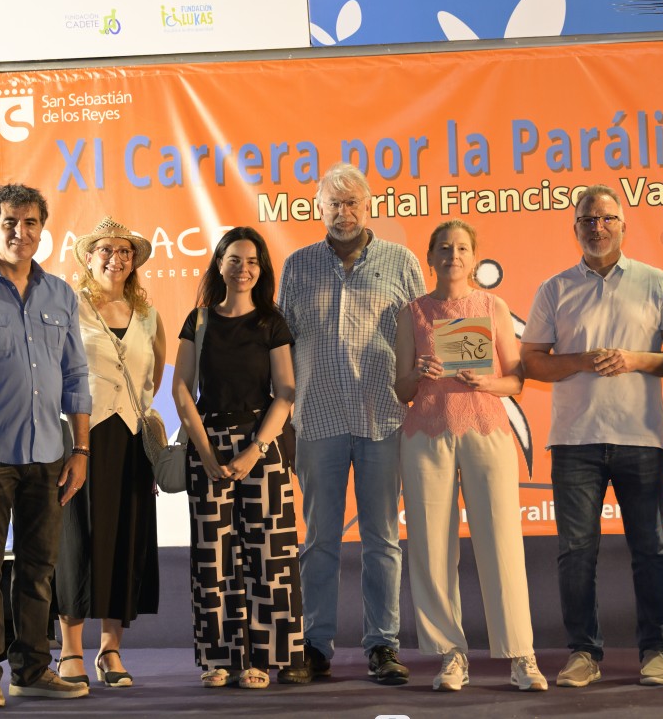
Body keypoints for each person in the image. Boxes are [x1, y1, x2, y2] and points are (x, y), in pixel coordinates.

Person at [521, 184, 663, 689]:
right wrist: (581, 359)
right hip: (574, 440)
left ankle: (655, 651)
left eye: (606, 218)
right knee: (576, 552)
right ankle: (583, 652)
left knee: (651, 550)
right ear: (574, 228)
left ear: (623, 225)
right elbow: (532, 362)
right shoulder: (554, 288)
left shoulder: (656, 281)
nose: (597, 227)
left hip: (642, 437)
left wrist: (638, 360)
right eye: (587, 220)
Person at [276, 164, 425, 685]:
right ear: (318, 209)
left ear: (369, 206)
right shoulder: (297, 266)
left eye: (352, 202)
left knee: (382, 538)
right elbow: (281, 348)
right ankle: (314, 645)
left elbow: (422, 339)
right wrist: (282, 420)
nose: (344, 213)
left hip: (384, 418)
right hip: (316, 420)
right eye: (334, 204)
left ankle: (383, 645)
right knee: (319, 539)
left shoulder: (402, 263)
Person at [393, 220, 547, 693]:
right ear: (430, 257)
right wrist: (418, 372)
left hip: (486, 429)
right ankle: (451, 654)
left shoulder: (492, 306)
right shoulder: (411, 313)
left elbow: (516, 380)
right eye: (444, 248)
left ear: (474, 258)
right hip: (426, 435)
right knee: (430, 547)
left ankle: (521, 654)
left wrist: (488, 382)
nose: (453, 256)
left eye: (462, 248)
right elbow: (401, 390)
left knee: (502, 541)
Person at [0, 183, 93, 706]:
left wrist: (80, 451)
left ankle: (33, 669)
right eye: (10, 222)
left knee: (39, 569)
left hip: (49, 454)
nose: (21, 231)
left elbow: (76, 376)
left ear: (42, 229)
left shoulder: (60, 293)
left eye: (31, 222)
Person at [173, 226, 303, 690]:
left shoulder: (272, 322)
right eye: (234, 259)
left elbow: (285, 392)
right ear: (219, 264)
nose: (243, 269)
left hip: (262, 445)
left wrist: (255, 449)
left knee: (270, 555)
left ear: (261, 268)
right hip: (207, 445)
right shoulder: (199, 320)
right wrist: (206, 452)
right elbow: (181, 389)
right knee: (213, 558)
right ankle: (218, 659)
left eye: (252, 261)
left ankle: (263, 659)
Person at [54, 217, 165, 689]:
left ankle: (110, 649)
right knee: (76, 539)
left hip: (131, 439)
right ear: (89, 257)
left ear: (134, 261)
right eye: (106, 250)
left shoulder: (147, 314)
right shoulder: (68, 306)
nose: (115, 259)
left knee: (125, 538)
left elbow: (154, 375)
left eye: (124, 251)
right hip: (82, 437)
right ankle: (70, 650)